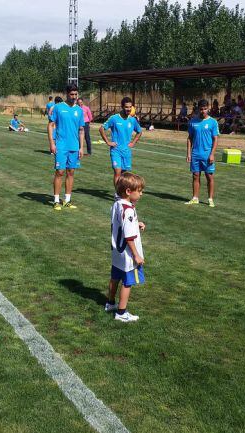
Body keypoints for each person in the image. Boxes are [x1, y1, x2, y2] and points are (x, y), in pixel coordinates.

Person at [107, 172, 146, 322]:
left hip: (117, 251)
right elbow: (129, 236)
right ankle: (121, 313)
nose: (141, 194)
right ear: (128, 191)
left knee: (115, 277)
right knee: (128, 282)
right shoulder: (129, 209)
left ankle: (110, 303)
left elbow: (121, 224)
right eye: (140, 191)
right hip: (128, 254)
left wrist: (137, 223)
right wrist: (136, 254)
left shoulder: (117, 204)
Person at [48, 84, 85, 210]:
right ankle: (56, 201)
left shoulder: (79, 110)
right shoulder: (58, 108)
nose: (74, 97)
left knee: (71, 172)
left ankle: (67, 200)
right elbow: (50, 125)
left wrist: (81, 147)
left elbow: (81, 130)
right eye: (71, 94)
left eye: (76, 94)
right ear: (67, 94)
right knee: (60, 172)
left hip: (74, 147)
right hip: (61, 146)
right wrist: (52, 143)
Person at [99, 96, 142, 185]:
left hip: (126, 151)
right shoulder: (114, 118)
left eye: (130, 107)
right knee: (117, 172)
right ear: (122, 107)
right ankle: (117, 195)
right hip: (116, 150)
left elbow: (139, 132)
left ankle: (123, 195)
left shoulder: (132, 120)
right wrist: (108, 142)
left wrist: (133, 142)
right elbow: (101, 128)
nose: (129, 109)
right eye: (126, 107)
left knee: (126, 175)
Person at [185, 99, 218, 208]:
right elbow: (189, 138)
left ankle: (210, 199)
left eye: (205, 109)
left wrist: (212, 154)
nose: (203, 111)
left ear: (208, 108)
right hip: (195, 154)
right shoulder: (193, 122)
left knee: (209, 176)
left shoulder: (213, 122)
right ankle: (195, 198)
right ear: (198, 109)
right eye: (201, 109)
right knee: (195, 175)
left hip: (207, 154)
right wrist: (188, 153)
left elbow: (215, 139)